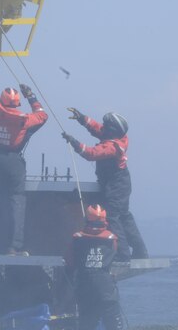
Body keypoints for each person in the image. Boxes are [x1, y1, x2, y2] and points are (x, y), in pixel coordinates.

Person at [0, 55, 48, 254]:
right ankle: (14, 248)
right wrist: (32, 97)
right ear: (17, 103)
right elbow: (42, 115)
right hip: (13, 164)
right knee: (17, 202)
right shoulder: (24, 120)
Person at [62, 108, 148, 261]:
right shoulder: (118, 138)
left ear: (112, 130)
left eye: (106, 125)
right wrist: (82, 118)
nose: (102, 127)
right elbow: (97, 129)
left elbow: (91, 154)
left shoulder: (112, 147)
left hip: (116, 185)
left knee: (113, 217)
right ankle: (140, 251)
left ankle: (123, 254)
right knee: (124, 216)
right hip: (121, 183)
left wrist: (73, 142)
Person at [64, 204, 127, 330]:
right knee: (114, 326)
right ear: (104, 220)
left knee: (85, 324)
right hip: (105, 288)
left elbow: (69, 262)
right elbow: (119, 256)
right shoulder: (112, 238)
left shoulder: (77, 237)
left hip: (85, 287)